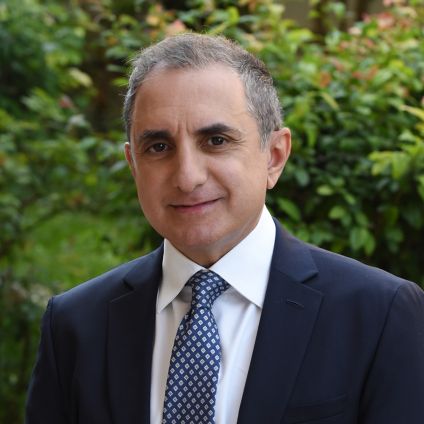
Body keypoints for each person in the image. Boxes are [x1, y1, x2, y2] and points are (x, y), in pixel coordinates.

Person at [26, 33, 424, 424]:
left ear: (274, 156)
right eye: (159, 147)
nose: (187, 177)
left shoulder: (378, 315)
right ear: (133, 165)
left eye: (216, 140)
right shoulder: (75, 325)